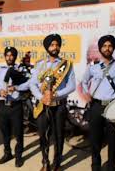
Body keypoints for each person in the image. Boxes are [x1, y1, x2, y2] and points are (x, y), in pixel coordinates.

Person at [81, 35, 115, 171]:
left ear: (113, 48)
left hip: (113, 106)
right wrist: (87, 94)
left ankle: (111, 167)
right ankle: (96, 166)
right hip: (96, 106)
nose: (107, 48)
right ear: (100, 48)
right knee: (95, 139)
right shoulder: (94, 66)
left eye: (110, 46)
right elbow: (84, 81)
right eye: (104, 46)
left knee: (112, 140)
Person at [30, 33, 76, 171]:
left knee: (59, 136)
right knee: (43, 135)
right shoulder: (39, 65)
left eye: (57, 44)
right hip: (43, 106)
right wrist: (41, 96)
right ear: (47, 47)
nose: (55, 47)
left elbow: (72, 85)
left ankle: (57, 163)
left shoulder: (66, 64)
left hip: (59, 106)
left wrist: (55, 95)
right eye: (52, 45)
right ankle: (45, 162)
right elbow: (32, 84)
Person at [0, 46, 29, 167]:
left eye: (11, 55)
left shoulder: (21, 69)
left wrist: (16, 88)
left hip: (15, 105)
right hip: (3, 105)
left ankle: (18, 156)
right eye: (7, 55)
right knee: (5, 131)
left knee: (18, 133)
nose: (9, 57)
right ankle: (7, 153)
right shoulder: (0, 70)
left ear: (15, 56)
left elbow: (28, 84)